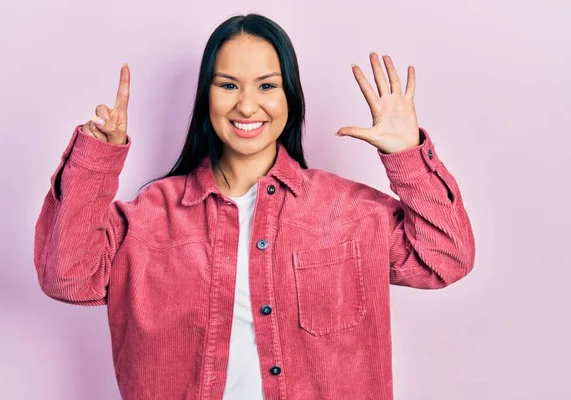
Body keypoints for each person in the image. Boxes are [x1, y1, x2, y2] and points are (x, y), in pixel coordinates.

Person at [34, 13, 475, 400]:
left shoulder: (349, 213)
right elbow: (69, 278)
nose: (247, 104)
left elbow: (444, 260)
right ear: (207, 98)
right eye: (228, 85)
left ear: (290, 99)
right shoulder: (148, 219)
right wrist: (96, 161)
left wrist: (408, 156)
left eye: (267, 85)